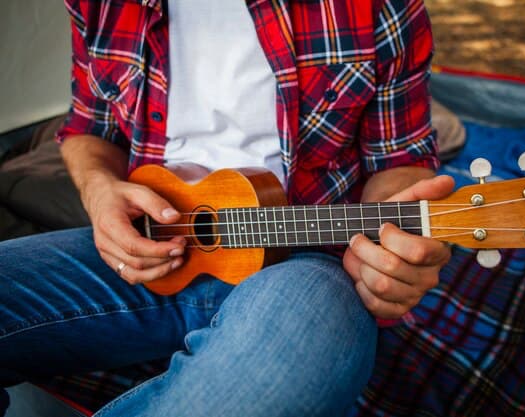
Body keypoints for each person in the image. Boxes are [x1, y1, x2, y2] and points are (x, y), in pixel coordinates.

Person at [0, 0, 453, 415]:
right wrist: (100, 191)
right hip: (149, 243)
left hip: (302, 260)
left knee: (278, 382)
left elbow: (400, 162)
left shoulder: (379, 6)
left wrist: (392, 240)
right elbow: (87, 126)